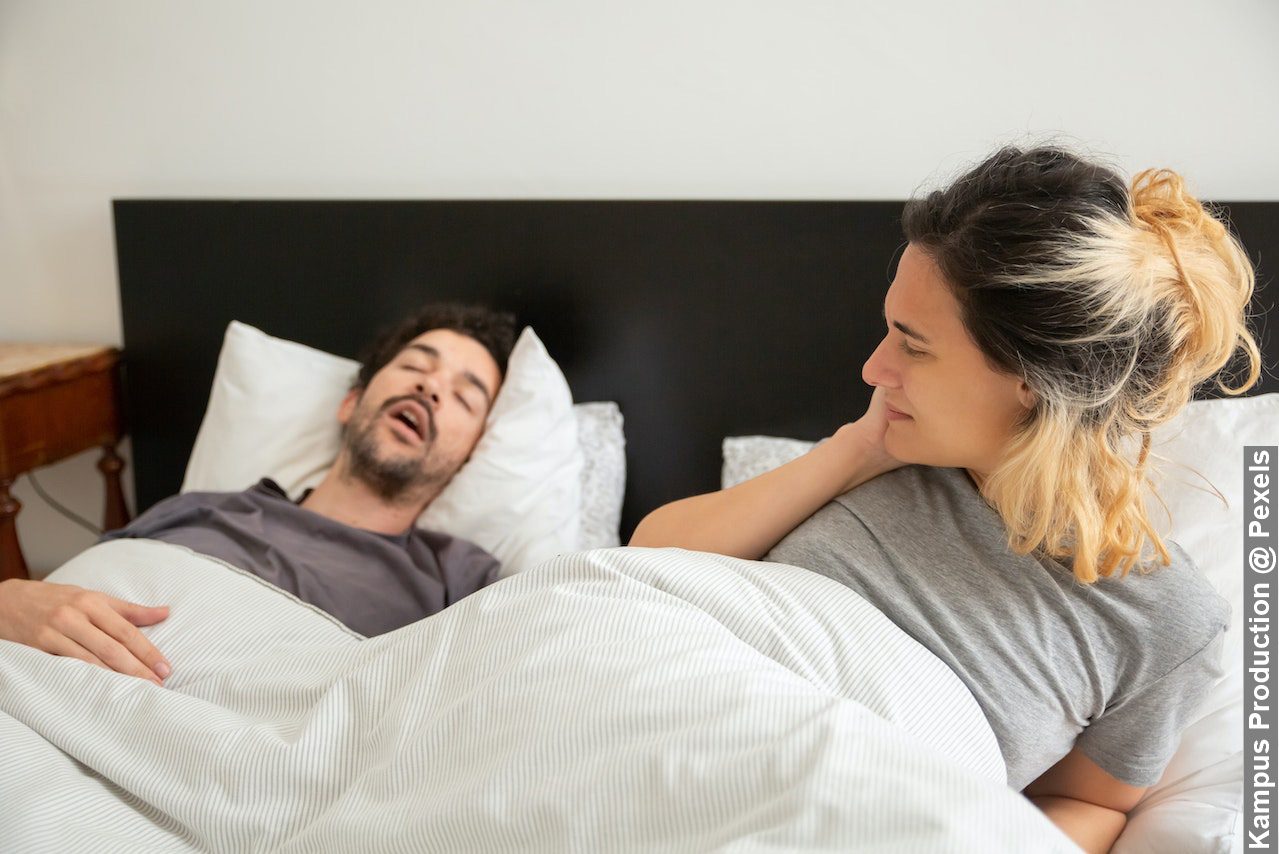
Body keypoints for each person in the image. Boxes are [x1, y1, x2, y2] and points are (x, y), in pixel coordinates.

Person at [630, 144, 1261, 852]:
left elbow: (1087, 805)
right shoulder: (891, 452)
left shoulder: (1166, 623)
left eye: (912, 344)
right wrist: (853, 450)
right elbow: (647, 564)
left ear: (1032, 378)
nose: (874, 368)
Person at [0, 302, 518, 685]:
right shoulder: (201, 509)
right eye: (414, 367)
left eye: (463, 396)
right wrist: (9, 600)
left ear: (469, 456)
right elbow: (70, 599)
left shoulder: (458, 580)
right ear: (352, 403)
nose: (430, 388)